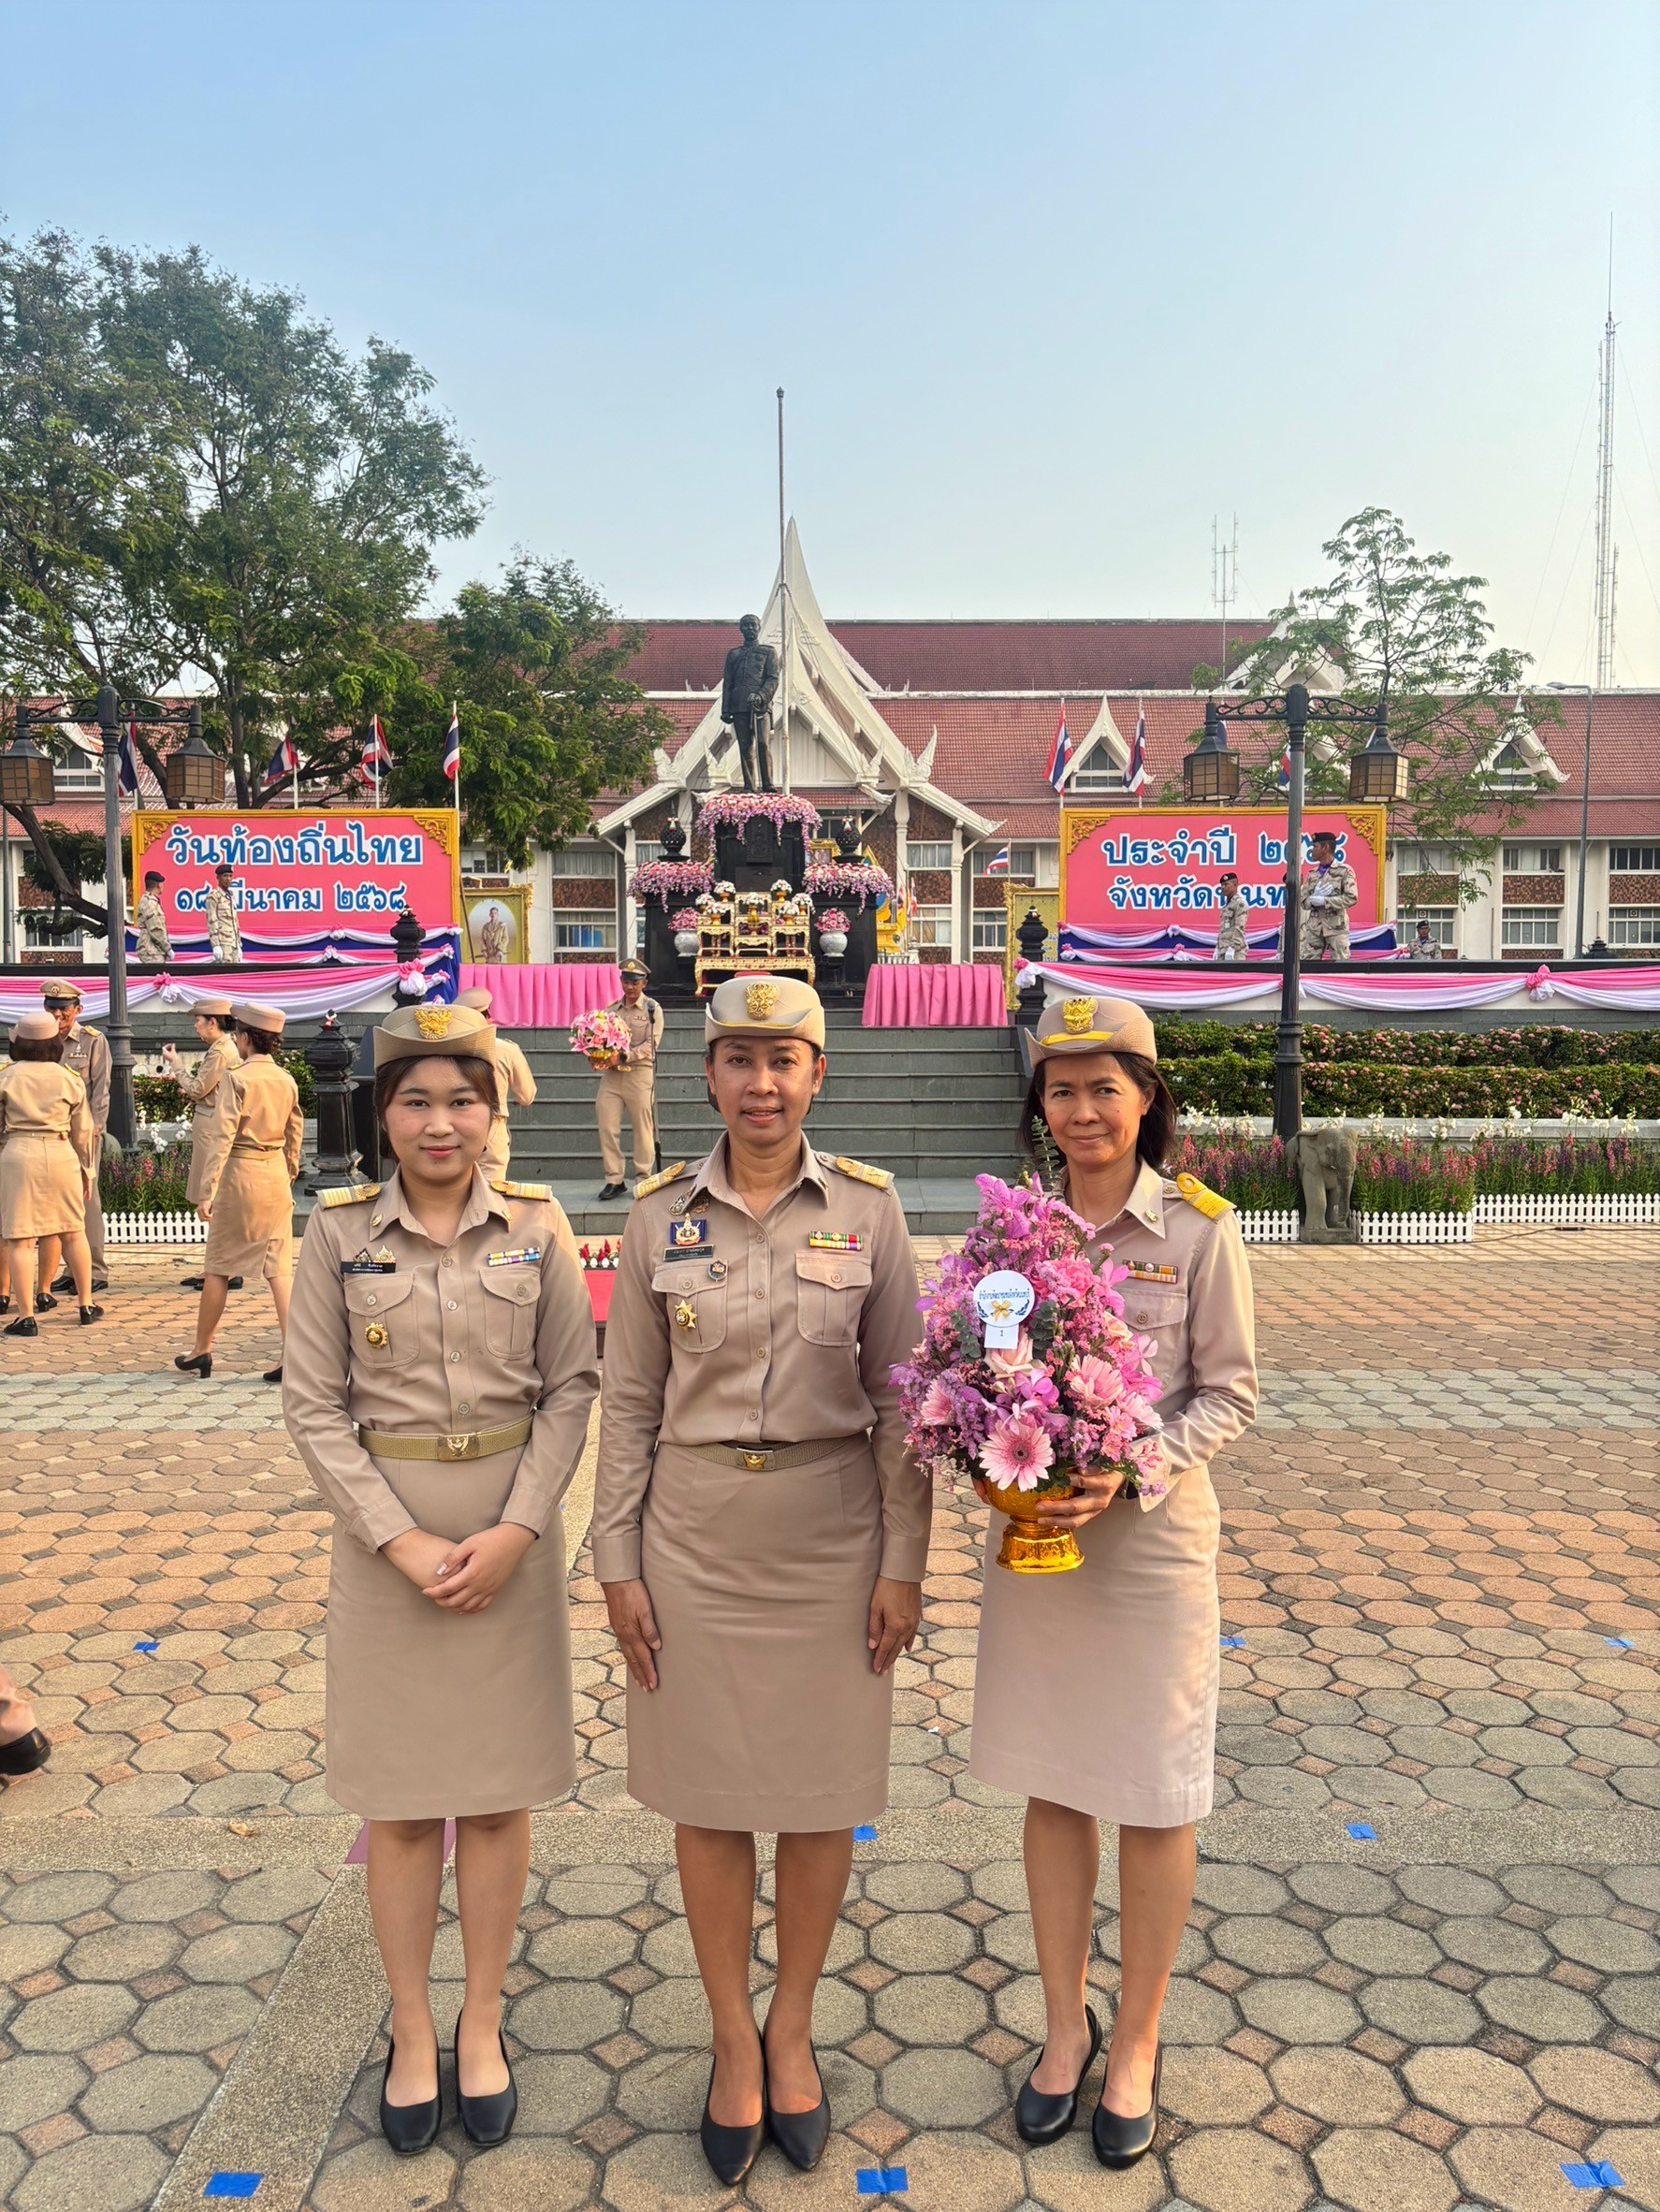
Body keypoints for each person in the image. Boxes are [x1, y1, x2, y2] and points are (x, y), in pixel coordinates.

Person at [593, 976, 927, 2186]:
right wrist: (614, 1559)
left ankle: (794, 2027)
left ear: (816, 1075)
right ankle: (733, 2038)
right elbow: (627, 1403)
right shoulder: (653, 1220)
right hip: (692, 1536)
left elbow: (903, 1405)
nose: (761, 1083)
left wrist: (905, 1559)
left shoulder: (874, 1215)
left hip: (833, 1535)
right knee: (711, 1796)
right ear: (707, 1074)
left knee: (822, 1792)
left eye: (783, 1059)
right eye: (737, 1059)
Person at [283, 1001, 598, 2157]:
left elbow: (571, 1387)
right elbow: (312, 1406)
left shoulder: (539, 1226)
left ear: (493, 1109)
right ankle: (413, 2030)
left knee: (498, 1793)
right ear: (383, 1112)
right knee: (406, 1803)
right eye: (414, 1097)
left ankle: (482, 2019)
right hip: (388, 1546)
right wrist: (397, 1540)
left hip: (506, 1540)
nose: (439, 1119)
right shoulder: (336, 1234)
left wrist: (520, 1529)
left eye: (462, 1097)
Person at [969, 988, 1257, 2171]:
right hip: (1041, 1553)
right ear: (1039, 1104)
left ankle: (1133, 2039)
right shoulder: (1013, 1236)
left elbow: (1229, 1394)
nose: (1084, 1109)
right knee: (1052, 1783)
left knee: (1152, 1794)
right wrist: (982, 1448)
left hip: (1149, 1555)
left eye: (1106, 1086)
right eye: (1062, 1088)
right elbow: (977, 1366)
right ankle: (1059, 2026)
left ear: (1148, 1099)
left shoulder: (1196, 1231)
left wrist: (1131, 1469)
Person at [174, 1000, 301, 1383]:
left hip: (241, 1173)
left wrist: (206, 1188)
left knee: (218, 1267)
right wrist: (288, 1171)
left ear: (244, 1038)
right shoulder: (286, 1079)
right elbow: (295, 1134)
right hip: (274, 1172)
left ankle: (202, 1350)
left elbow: (222, 1136)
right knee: (280, 1270)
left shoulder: (237, 1077)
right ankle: (293, 1354)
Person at [1, 1011, 101, 1332]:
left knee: (20, 1238)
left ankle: (26, 1315)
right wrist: (87, 1170)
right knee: (73, 1231)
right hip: (61, 1152)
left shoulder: (6, 1075)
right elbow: (83, 1131)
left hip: (18, 1152)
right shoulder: (68, 1077)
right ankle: (86, 1304)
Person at [162, 997, 245, 1293]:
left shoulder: (221, 1051)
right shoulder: (223, 1048)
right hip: (209, 1125)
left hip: (212, 1126)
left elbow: (198, 1089)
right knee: (214, 1199)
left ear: (213, 1021)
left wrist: (176, 1065)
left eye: (198, 1020)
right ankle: (219, 1266)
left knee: (213, 1198)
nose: (195, 1026)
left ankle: (225, 1268)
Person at [42, 982, 109, 1296]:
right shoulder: (40, 1039)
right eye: (52, 1008)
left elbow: (100, 1091)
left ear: (77, 1010)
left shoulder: (92, 1041)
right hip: (50, 1133)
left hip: (82, 1133)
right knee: (58, 1202)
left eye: (64, 1009)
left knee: (87, 1198)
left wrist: (94, 1130)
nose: (58, 1014)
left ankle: (95, 1269)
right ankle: (71, 1269)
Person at [594, 960, 663, 1202]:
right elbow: (601, 1040)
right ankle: (614, 1179)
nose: (630, 986)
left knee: (642, 1129)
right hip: (613, 1077)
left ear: (644, 983)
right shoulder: (611, 1010)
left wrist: (624, 1055)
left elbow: (651, 1045)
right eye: (626, 981)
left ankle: (643, 1178)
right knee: (607, 1126)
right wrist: (598, 1056)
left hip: (639, 1074)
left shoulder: (652, 1009)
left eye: (635, 982)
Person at [454, 987, 537, 1176]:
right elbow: (526, 1096)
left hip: (455, 1124)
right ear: (487, 1015)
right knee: (492, 1192)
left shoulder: (447, 1050)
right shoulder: (506, 1050)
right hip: (492, 1125)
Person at [1298, 832, 1358, 962]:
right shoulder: (1312, 874)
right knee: (1309, 965)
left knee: (1341, 964)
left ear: (1325, 848)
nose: (1312, 850)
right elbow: (1302, 901)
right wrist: (1313, 899)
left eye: (1315, 846)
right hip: (1314, 928)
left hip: (1336, 927)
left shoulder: (1344, 871)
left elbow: (1351, 898)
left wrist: (1325, 901)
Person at [206, 863, 243, 963]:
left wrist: (239, 945)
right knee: (225, 973)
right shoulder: (213, 896)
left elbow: (235, 922)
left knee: (236, 975)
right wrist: (216, 945)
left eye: (230, 876)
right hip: (223, 942)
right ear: (218, 878)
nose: (228, 879)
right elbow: (212, 921)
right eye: (225, 876)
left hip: (234, 943)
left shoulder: (231, 896)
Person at [136, 870, 173, 964]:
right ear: (158, 885)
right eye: (162, 884)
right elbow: (155, 929)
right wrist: (167, 948)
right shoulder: (150, 903)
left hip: (153, 950)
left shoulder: (149, 901)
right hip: (151, 951)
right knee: (156, 976)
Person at [1212, 872, 1248, 961]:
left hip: (1235, 952)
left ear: (1235, 884)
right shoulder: (1227, 906)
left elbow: (1239, 927)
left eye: (1226, 884)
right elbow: (1222, 930)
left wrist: (1233, 947)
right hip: (1223, 950)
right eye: (1221, 885)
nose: (1222, 887)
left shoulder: (1240, 903)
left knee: (1235, 975)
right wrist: (1217, 947)